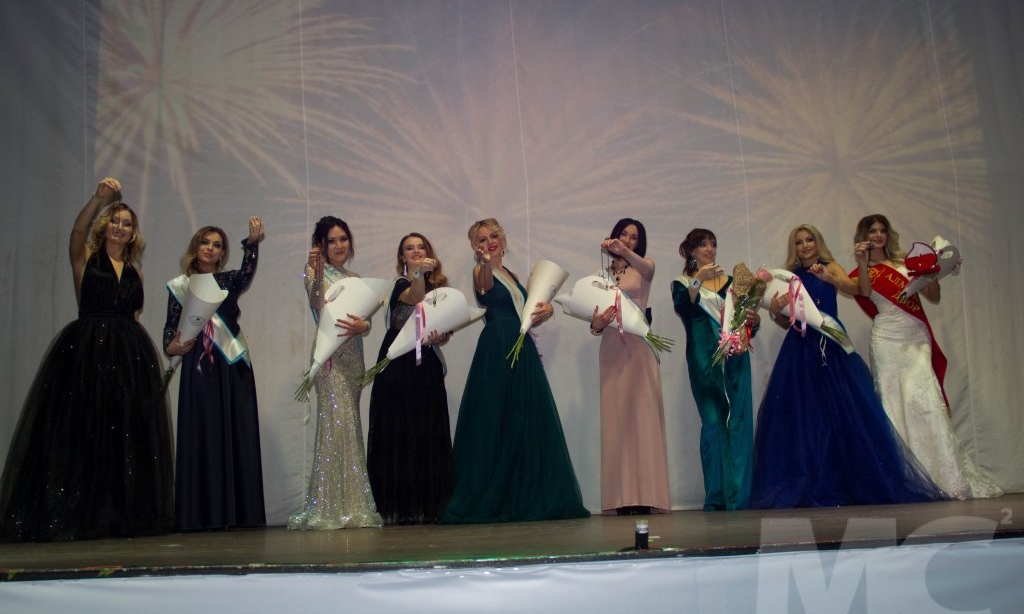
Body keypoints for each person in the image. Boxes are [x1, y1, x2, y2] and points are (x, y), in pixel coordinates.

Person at [0, 178, 173, 541]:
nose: (120, 227)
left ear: (133, 233)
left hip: (128, 357)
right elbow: (78, 231)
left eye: (127, 224)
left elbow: (134, 316)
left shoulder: (136, 272)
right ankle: (80, 511)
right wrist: (98, 199)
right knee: (85, 429)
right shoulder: (85, 260)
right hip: (87, 352)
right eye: (115, 221)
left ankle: (118, 513)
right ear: (105, 226)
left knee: (123, 433)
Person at [749, 224, 946, 507]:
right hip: (800, 349)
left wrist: (831, 278)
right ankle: (809, 482)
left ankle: (847, 482)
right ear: (794, 247)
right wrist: (775, 310)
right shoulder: (789, 277)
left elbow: (861, 289)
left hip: (831, 346)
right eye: (799, 242)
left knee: (842, 415)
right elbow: (786, 321)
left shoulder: (831, 267)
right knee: (804, 418)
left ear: (818, 242)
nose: (805, 245)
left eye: (809, 239)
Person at [440, 218, 589, 523]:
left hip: (521, 347)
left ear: (503, 240)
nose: (489, 242)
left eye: (493, 236)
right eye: (482, 239)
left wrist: (545, 310)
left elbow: (526, 310)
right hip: (498, 345)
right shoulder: (480, 271)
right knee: (496, 419)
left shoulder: (512, 274)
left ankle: (524, 495)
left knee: (524, 419)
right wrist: (484, 262)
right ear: (475, 246)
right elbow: (484, 288)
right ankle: (492, 497)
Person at [850, 214, 1001, 499]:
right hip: (886, 339)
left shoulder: (906, 262)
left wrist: (932, 271)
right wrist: (862, 262)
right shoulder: (863, 270)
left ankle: (942, 473)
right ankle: (905, 474)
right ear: (864, 236)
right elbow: (865, 291)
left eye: (882, 230)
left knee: (926, 399)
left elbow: (934, 297)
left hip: (916, 336)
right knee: (894, 403)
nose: (878, 235)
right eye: (872, 231)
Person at [163, 218, 267, 531]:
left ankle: (238, 512)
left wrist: (252, 244)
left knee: (236, 429)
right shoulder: (181, 285)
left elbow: (246, 273)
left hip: (231, 362)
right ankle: (202, 513)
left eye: (217, 245)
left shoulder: (228, 280)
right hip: (199, 364)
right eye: (205, 242)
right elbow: (171, 327)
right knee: (203, 430)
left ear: (222, 253)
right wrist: (172, 346)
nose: (210, 248)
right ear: (196, 246)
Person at [289, 216, 382, 529]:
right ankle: (328, 507)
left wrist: (364, 325)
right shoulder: (314, 272)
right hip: (329, 357)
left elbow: (364, 318)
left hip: (353, 358)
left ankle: (352, 505)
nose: (339, 245)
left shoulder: (354, 277)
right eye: (332, 240)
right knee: (334, 428)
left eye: (343, 239)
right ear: (321, 245)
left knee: (349, 427)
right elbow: (317, 302)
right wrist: (316, 273)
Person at [366, 233, 454, 525]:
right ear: (402, 257)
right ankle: (399, 507)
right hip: (398, 365)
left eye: (421, 247)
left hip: (426, 362)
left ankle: (427, 506)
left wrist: (441, 334)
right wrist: (419, 275)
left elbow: (445, 325)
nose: (416, 251)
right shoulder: (399, 284)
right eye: (409, 248)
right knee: (398, 430)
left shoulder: (438, 288)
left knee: (426, 429)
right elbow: (414, 298)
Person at [671, 228, 757, 511]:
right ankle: (718, 495)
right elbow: (684, 307)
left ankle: (740, 494)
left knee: (738, 421)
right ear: (691, 251)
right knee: (712, 422)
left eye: (713, 244)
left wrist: (753, 321)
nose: (709, 249)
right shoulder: (682, 283)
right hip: (703, 360)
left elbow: (745, 326)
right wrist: (699, 279)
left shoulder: (732, 283)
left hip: (735, 360)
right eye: (703, 244)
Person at [589, 218, 670, 515]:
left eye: (634, 237)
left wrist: (624, 251)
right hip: (612, 348)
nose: (627, 240)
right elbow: (594, 317)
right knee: (617, 422)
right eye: (623, 234)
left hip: (639, 347)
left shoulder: (644, 267)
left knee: (644, 421)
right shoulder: (602, 275)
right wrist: (596, 324)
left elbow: (646, 267)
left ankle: (646, 496)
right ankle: (620, 498)